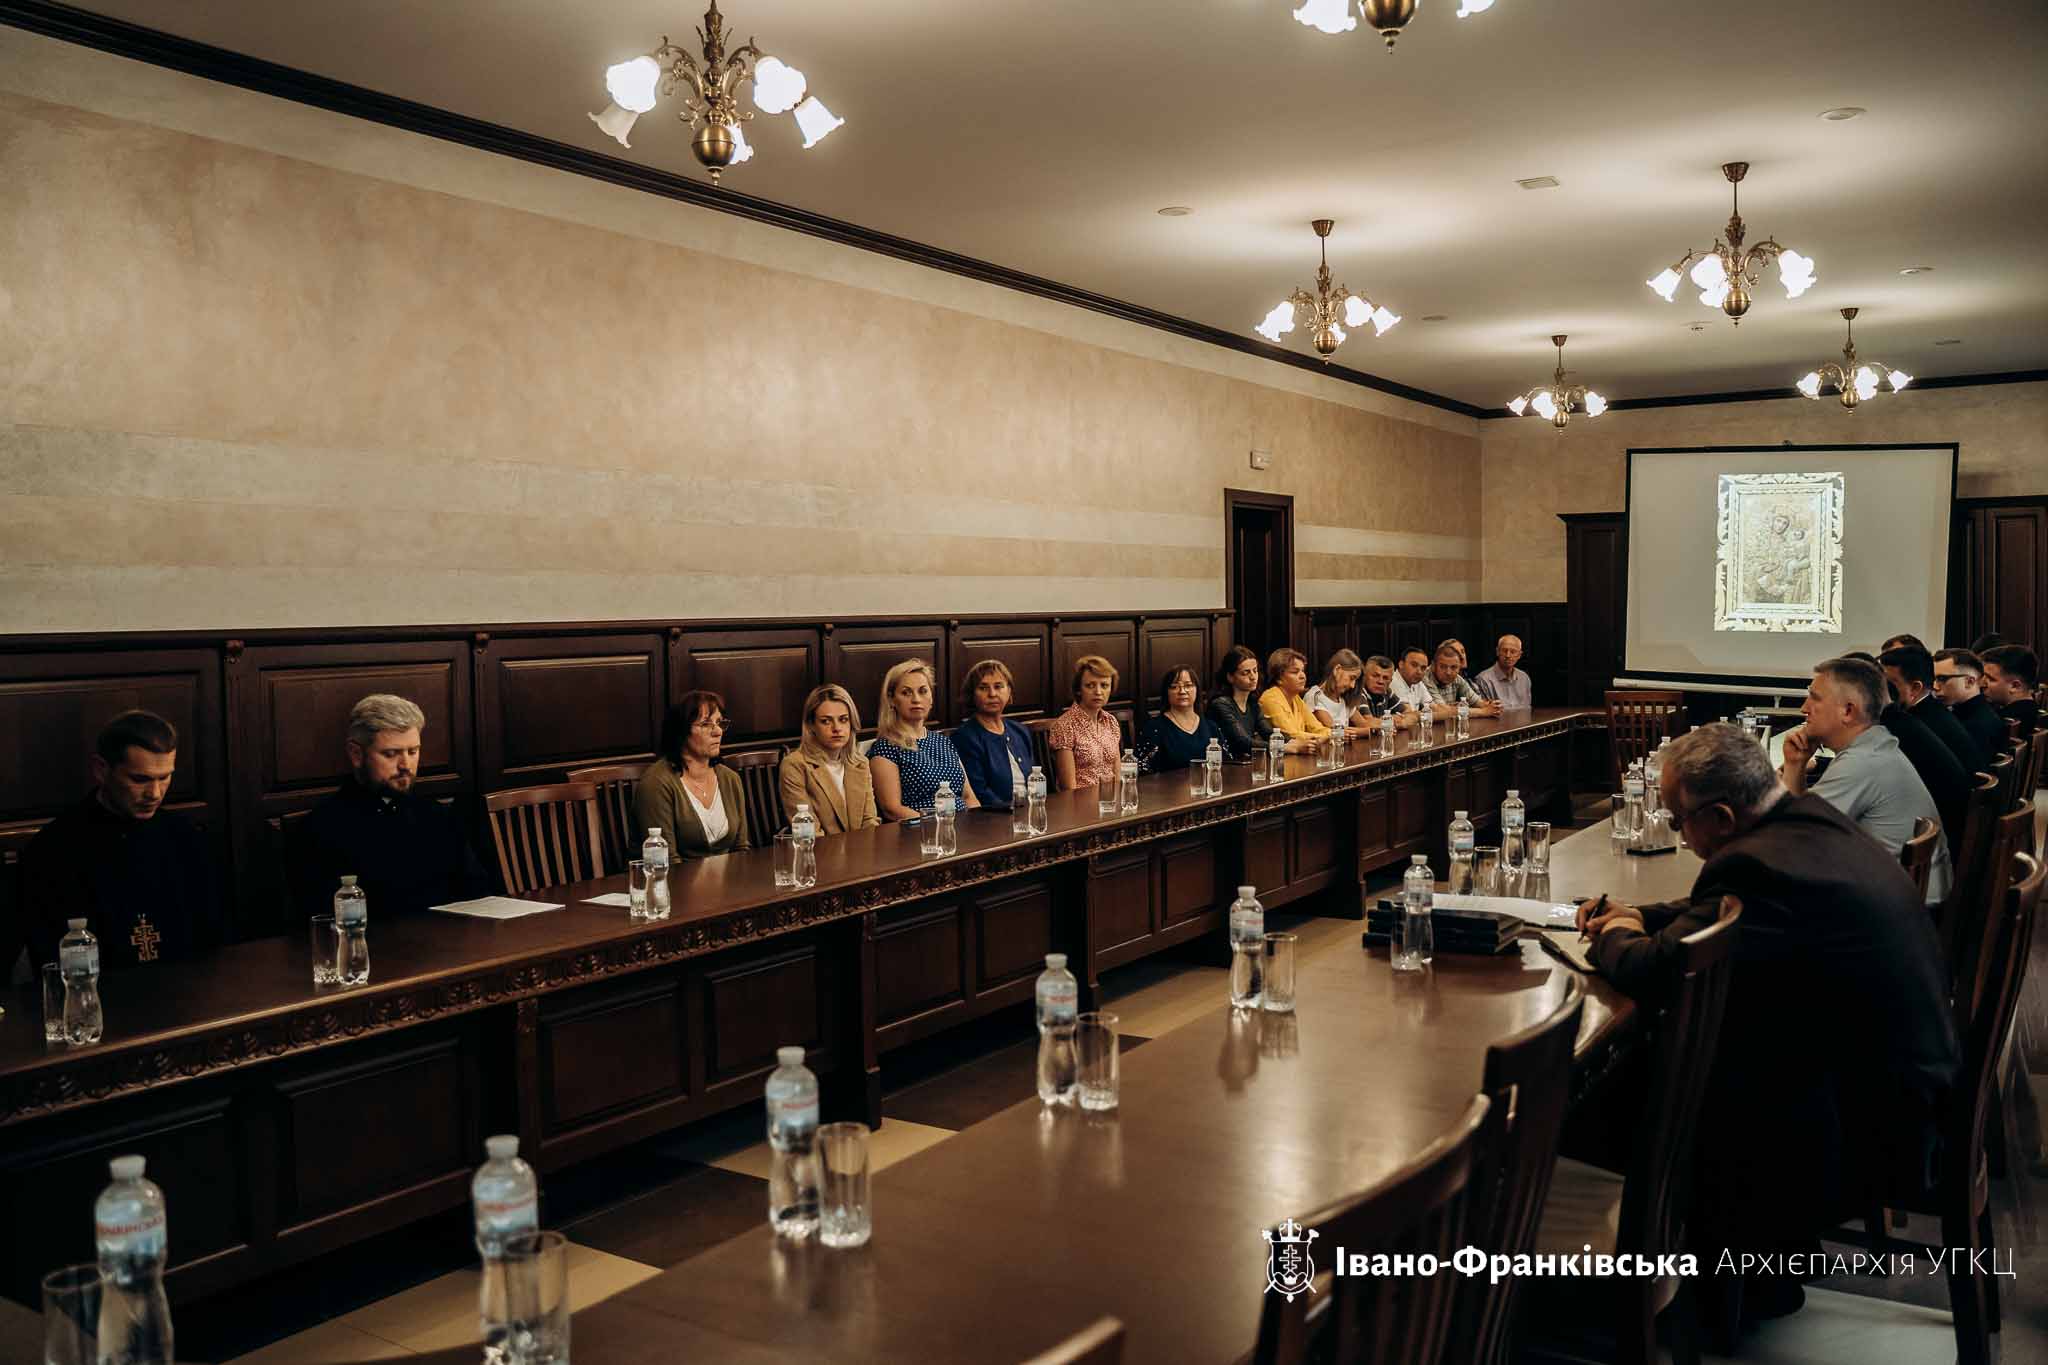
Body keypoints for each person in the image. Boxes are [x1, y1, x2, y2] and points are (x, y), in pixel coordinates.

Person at [1579, 723, 1957, 1325]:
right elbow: (1718, 911)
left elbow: (1659, 970)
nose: (1680, 834)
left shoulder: (1757, 864)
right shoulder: (1807, 822)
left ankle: (1680, 1291)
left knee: (1618, 1089)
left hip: (1873, 1122)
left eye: (1679, 820)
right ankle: (1750, 1275)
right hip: (1900, 1075)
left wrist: (1619, 934)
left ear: (1722, 817)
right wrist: (1642, 914)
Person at [17, 710, 222, 978]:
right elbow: (51, 955)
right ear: (101, 770)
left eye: (164, 777)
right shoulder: (55, 848)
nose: (155, 793)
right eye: (140, 779)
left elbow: (213, 937)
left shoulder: (184, 836)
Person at [293, 694, 489, 919]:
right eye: (390, 754)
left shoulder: (438, 816)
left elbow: (476, 893)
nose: (406, 765)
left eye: (413, 751)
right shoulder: (323, 827)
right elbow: (320, 916)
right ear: (356, 754)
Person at [1780, 658, 1950, 903]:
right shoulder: (1874, 745)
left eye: (1814, 698)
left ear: (1848, 711)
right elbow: (1799, 824)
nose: (1804, 708)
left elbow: (1792, 837)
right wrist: (1795, 765)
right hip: (1906, 898)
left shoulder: (1861, 762)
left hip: (1895, 910)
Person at [635, 691, 752, 858]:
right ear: (681, 731)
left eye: (719, 723)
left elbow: (741, 847)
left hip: (729, 873)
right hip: (674, 874)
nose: (718, 731)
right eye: (706, 724)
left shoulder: (730, 779)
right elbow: (666, 861)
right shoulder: (656, 783)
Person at [870, 659, 979, 819]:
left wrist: (979, 824)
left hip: (963, 826)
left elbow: (969, 797)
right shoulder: (886, 747)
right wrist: (938, 828)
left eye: (923, 691)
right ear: (892, 700)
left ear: (931, 698)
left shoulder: (943, 741)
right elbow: (892, 809)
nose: (916, 699)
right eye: (906, 693)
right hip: (921, 830)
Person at [779, 684, 879, 836]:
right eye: (826, 721)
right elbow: (810, 833)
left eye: (843, 720)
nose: (837, 728)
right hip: (820, 849)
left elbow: (869, 821)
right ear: (811, 725)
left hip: (861, 848)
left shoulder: (861, 763)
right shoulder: (795, 765)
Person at [1880, 644, 1980, 777]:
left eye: (1889, 685)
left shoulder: (1912, 724)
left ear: (1915, 688)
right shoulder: (1931, 709)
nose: (1881, 691)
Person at [949, 660, 1036, 808]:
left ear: (1009, 691)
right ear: (972, 694)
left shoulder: (1020, 731)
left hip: (1030, 809)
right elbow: (979, 792)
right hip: (994, 815)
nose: (992, 694)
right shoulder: (964, 737)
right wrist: (1012, 812)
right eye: (983, 688)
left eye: (998, 686)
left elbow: (1035, 777)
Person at [1049, 655, 1125, 794]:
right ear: (1079, 689)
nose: (1098, 692)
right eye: (1090, 685)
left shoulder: (1111, 722)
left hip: (1110, 799)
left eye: (1104, 685)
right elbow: (1068, 788)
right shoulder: (1065, 725)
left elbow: (1117, 777)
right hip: (1079, 801)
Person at [1206, 646, 1297, 759]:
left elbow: (1268, 732)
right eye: (1246, 673)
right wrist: (1284, 748)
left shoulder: (1252, 704)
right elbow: (1243, 742)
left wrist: (1294, 742)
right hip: (1224, 765)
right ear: (1230, 677)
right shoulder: (1220, 704)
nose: (1253, 677)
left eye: (1255, 671)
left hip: (1245, 763)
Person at [1137, 667, 1224, 773]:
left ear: (1197, 689)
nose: (1182, 691)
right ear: (1166, 692)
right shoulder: (1154, 728)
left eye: (1188, 685)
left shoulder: (1211, 727)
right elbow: (1143, 769)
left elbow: (1228, 764)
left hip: (1208, 783)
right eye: (1174, 687)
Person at [1932, 648, 2006, 770]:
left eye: (1942, 679)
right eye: (1933, 679)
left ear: (1970, 682)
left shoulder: (1975, 725)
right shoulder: (1973, 712)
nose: (1935, 686)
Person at [1258, 648, 1331, 744]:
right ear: (1279, 678)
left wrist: (1329, 734)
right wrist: (1326, 736)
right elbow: (1290, 735)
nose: (1303, 676)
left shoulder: (1295, 698)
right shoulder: (1270, 698)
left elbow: (1317, 728)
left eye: (1302, 671)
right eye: (1295, 672)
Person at [1306, 649, 1377, 739]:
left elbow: (1364, 724)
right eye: (1352, 678)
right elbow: (1337, 731)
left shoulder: (1344, 698)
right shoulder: (1315, 696)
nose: (1352, 686)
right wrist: (1366, 732)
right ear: (1337, 670)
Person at [1420, 641, 1501, 714]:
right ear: (1433, 665)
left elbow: (1478, 702)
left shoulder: (1457, 678)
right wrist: (1483, 711)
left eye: (1453, 667)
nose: (1448, 672)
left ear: (1459, 667)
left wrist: (1492, 706)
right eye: (1443, 667)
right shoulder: (1425, 678)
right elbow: (1443, 711)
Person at [1980, 644, 2040, 738]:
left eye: (1990, 679)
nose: (1981, 684)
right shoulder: (2030, 708)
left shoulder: (2007, 721)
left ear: (2014, 686)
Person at [1471, 634, 1533, 709]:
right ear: (1497, 652)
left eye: (1513, 652)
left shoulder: (1524, 678)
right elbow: (1484, 711)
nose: (1508, 655)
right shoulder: (1483, 679)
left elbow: (1527, 709)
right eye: (1504, 650)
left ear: (1519, 655)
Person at [1357, 655, 1416, 728]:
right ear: (1364, 676)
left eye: (1385, 678)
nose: (1380, 681)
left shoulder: (1387, 692)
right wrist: (1393, 719)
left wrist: (1386, 721)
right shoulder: (1358, 692)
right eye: (1375, 676)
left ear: (1391, 680)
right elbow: (1369, 723)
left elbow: (1411, 715)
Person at [1389, 645, 1434, 711]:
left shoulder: (1417, 682)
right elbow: (1408, 713)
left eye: (1423, 668)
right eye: (1414, 665)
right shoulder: (1393, 681)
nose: (1419, 672)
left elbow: (1434, 707)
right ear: (1401, 664)